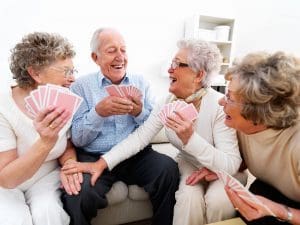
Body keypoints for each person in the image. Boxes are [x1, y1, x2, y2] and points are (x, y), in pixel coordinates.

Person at [62, 39, 243, 225]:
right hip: (190, 164)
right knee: (188, 197)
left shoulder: (220, 107)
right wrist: (100, 164)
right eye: (171, 63)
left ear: (198, 75)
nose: (169, 70)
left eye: (176, 64)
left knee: (217, 201)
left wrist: (190, 138)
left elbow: (230, 164)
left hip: (221, 168)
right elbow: (141, 137)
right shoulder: (168, 101)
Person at [60, 27, 179, 225]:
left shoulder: (141, 82)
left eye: (123, 50)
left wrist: (138, 112)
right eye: (111, 50)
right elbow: (78, 139)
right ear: (95, 57)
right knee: (78, 194)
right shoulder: (79, 87)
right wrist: (98, 113)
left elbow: (152, 127)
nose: (120, 57)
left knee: (168, 169)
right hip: (94, 156)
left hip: (135, 155)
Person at [0, 32, 82, 225]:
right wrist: (46, 142)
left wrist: (70, 164)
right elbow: (6, 178)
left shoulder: (64, 98)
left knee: (49, 214)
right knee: (14, 220)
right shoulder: (3, 106)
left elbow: (67, 146)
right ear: (35, 73)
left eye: (73, 71)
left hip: (45, 178)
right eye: (65, 71)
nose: (72, 79)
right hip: (8, 184)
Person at [216, 51, 300, 224]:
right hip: (270, 193)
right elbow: (246, 158)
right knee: (254, 195)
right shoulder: (242, 127)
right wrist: (216, 166)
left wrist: (282, 212)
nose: (221, 102)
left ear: (257, 112)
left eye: (229, 97)